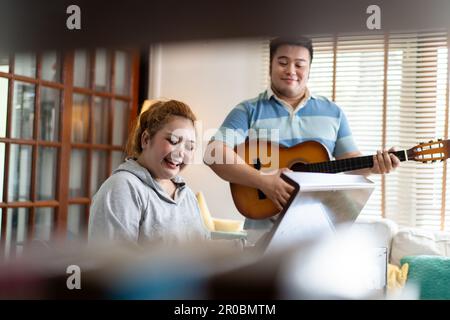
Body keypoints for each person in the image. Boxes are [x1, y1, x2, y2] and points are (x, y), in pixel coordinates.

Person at [204, 36, 400, 242]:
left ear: (309, 69)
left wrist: (374, 166)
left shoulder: (333, 112)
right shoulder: (247, 110)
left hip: (317, 236)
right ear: (270, 64)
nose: (290, 70)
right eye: (282, 62)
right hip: (260, 235)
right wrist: (265, 182)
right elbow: (214, 152)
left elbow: (349, 161)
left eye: (299, 64)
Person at [89, 99, 210, 245]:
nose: (181, 153)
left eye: (189, 147)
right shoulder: (122, 188)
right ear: (146, 139)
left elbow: (204, 250)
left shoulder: (187, 195)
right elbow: (113, 262)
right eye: (173, 141)